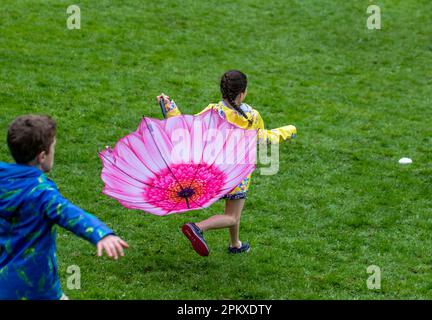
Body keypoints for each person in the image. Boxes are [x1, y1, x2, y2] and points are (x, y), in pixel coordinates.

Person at [156, 70, 297, 256]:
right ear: (242, 93)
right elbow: (263, 138)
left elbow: (187, 129)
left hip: (215, 173)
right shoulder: (252, 116)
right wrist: (287, 131)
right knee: (232, 216)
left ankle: (235, 244)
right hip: (238, 174)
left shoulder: (213, 111)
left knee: (233, 210)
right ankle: (197, 227)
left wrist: (170, 108)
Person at [0, 115, 129, 300]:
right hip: (37, 287)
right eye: (53, 148)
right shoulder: (42, 193)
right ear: (42, 156)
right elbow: (70, 214)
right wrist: (101, 233)